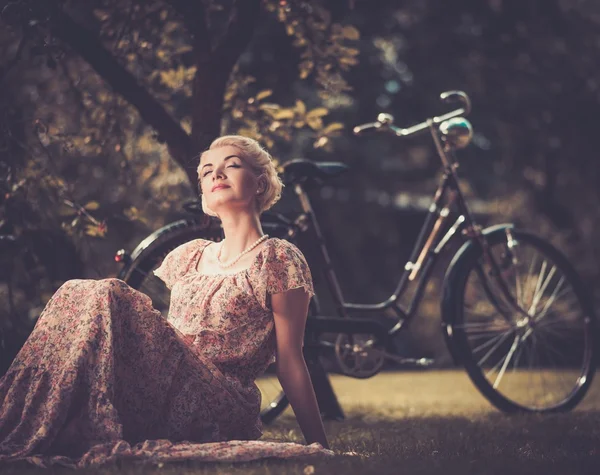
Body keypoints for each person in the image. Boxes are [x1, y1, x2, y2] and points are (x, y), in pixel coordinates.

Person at [0, 135, 333, 468]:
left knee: (109, 291)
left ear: (260, 183)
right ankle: (22, 419)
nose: (217, 174)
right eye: (207, 172)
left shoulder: (278, 258)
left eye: (231, 165)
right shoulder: (187, 256)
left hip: (220, 400)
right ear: (203, 195)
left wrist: (319, 443)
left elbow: (290, 359)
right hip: (168, 386)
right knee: (75, 290)